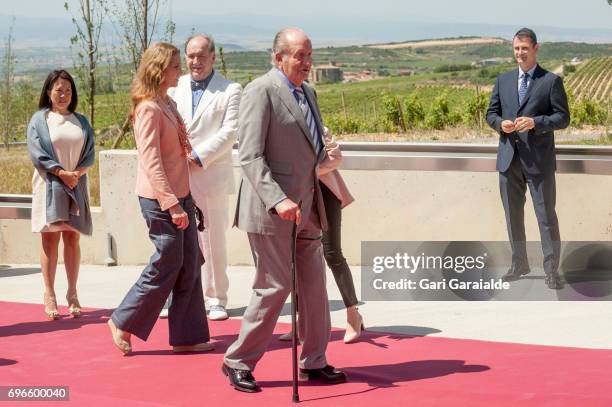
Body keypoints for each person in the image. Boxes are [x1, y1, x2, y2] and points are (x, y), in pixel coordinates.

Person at [222, 28, 347, 393]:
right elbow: (249, 155)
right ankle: (238, 361)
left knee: (313, 288)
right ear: (278, 58)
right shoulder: (260, 90)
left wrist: (328, 157)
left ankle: (315, 361)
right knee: (274, 287)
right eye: (299, 56)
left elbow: (308, 151)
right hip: (270, 210)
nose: (307, 63)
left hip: (308, 208)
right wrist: (277, 199)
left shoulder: (308, 92)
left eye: (309, 55)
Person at [107, 42, 213, 355]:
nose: (181, 71)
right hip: (161, 201)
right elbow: (151, 161)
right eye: (176, 66)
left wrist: (185, 200)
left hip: (182, 196)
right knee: (168, 260)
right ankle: (122, 320)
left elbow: (176, 153)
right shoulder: (148, 109)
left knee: (189, 263)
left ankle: (187, 336)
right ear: (159, 69)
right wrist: (173, 204)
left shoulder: (166, 102)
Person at [486, 28, 570, 289]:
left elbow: (563, 118)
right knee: (513, 216)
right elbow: (491, 114)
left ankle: (551, 271)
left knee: (546, 217)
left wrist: (535, 122)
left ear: (536, 48)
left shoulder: (551, 81)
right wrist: (502, 124)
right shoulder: (503, 80)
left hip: (539, 162)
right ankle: (519, 264)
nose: (519, 53)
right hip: (508, 159)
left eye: (524, 48)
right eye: (516, 49)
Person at [168, 34, 242, 321]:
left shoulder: (231, 90)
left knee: (211, 241)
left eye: (201, 56)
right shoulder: (175, 86)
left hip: (209, 174)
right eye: (190, 56)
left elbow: (231, 130)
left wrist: (197, 155)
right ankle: (180, 296)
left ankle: (216, 298)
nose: (195, 62)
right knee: (177, 240)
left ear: (213, 56)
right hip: (177, 175)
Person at [279, 128, 363, 343]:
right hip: (297, 195)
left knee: (332, 253)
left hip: (325, 193)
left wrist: (305, 172)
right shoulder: (281, 129)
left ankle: (353, 314)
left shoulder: (316, 126)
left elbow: (335, 157)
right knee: (295, 256)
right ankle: (300, 322)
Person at [27, 69, 95, 320]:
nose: (63, 94)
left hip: (76, 184)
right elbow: (37, 153)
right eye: (58, 90)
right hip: (49, 186)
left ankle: (73, 293)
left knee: (72, 239)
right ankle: (49, 294)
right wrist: (60, 172)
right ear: (48, 92)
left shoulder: (82, 121)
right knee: (49, 240)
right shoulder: (39, 120)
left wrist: (76, 174)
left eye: (68, 89)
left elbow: (90, 153)